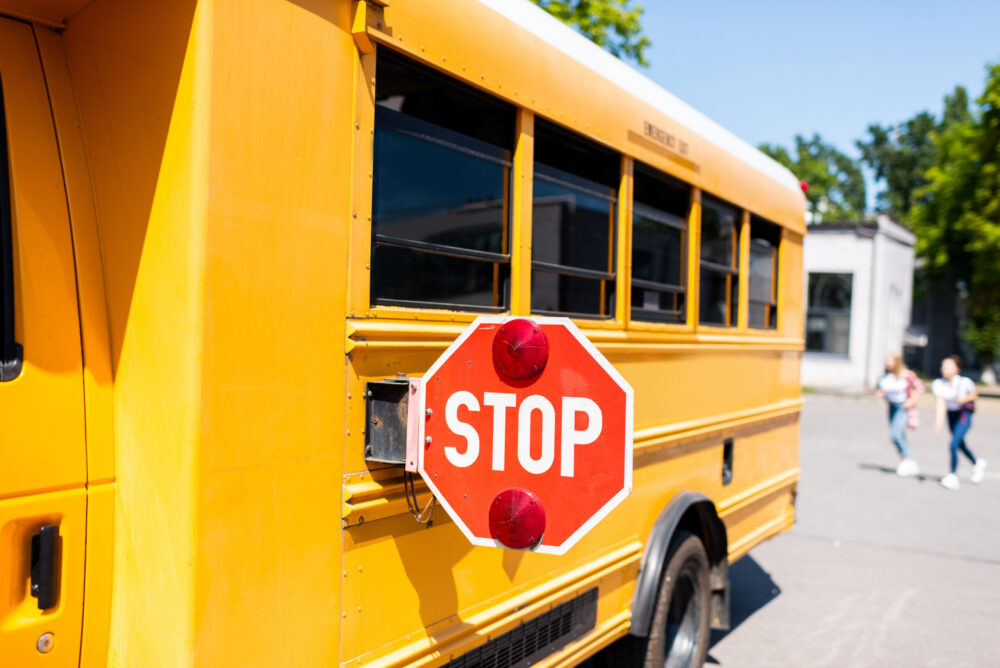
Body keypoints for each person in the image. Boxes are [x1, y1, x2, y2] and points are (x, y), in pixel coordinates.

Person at [932, 355, 987, 490]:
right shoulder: (939, 384)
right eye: (943, 366)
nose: (944, 369)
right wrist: (938, 421)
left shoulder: (964, 382)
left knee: (953, 444)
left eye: (948, 367)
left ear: (956, 369)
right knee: (959, 444)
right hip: (951, 415)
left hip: (963, 414)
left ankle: (952, 475)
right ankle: (977, 463)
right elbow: (940, 403)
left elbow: (974, 394)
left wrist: (963, 399)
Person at [875, 353, 922, 476]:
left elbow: (920, 388)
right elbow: (880, 389)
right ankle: (906, 460)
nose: (888, 363)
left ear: (897, 362)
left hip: (903, 407)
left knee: (895, 435)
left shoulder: (906, 375)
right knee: (899, 434)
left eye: (891, 361)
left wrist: (910, 402)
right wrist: (881, 394)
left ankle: (908, 458)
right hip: (892, 406)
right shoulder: (885, 376)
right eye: (887, 361)